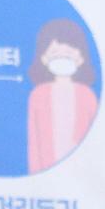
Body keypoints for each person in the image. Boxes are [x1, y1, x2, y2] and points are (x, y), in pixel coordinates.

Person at [25, 18, 100, 174]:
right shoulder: (38, 95)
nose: (62, 58)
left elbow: (95, 137)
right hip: (46, 168)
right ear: (43, 58)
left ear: (81, 58)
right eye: (55, 53)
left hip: (82, 172)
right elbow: (35, 140)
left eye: (68, 54)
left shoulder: (87, 95)